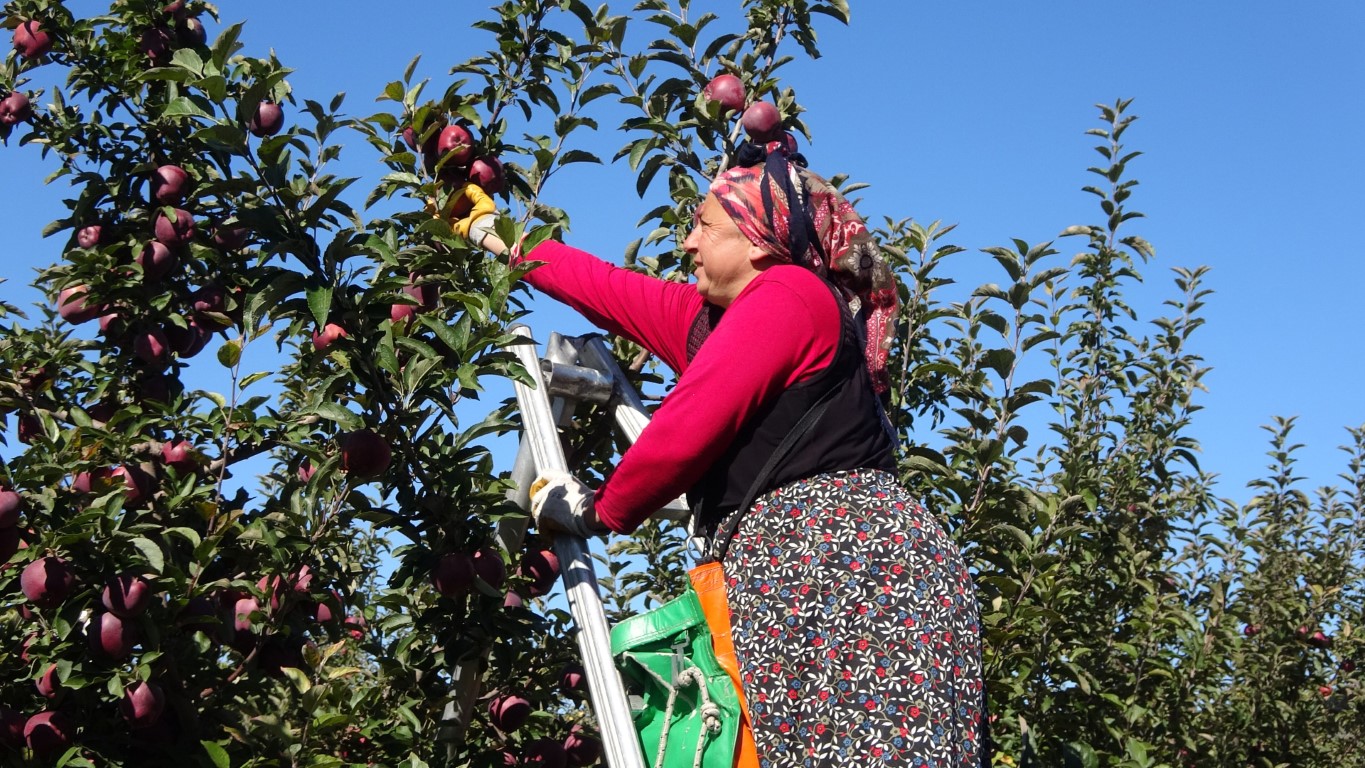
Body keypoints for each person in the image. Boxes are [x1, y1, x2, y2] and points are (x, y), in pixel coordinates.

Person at [458, 139, 984, 767]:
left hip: (856, 574)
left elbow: (694, 420)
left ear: (758, 241)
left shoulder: (791, 295)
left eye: (704, 226)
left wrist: (600, 511)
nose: (688, 243)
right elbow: (605, 288)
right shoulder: (719, 319)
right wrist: (493, 232)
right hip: (805, 575)